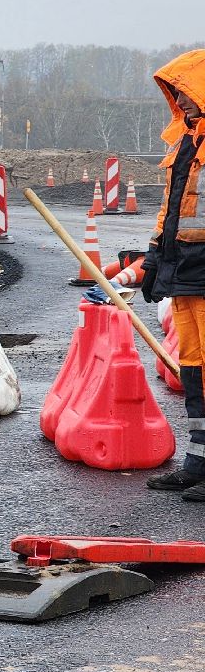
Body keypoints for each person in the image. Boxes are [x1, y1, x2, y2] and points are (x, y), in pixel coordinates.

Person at [139, 50, 205, 498]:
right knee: (193, 367)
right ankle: (199, 460)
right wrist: (151, 256)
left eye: (186, 93)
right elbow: (173, 206)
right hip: (184, 266)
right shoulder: (185, 143)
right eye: (176, 95)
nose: (180, 101)